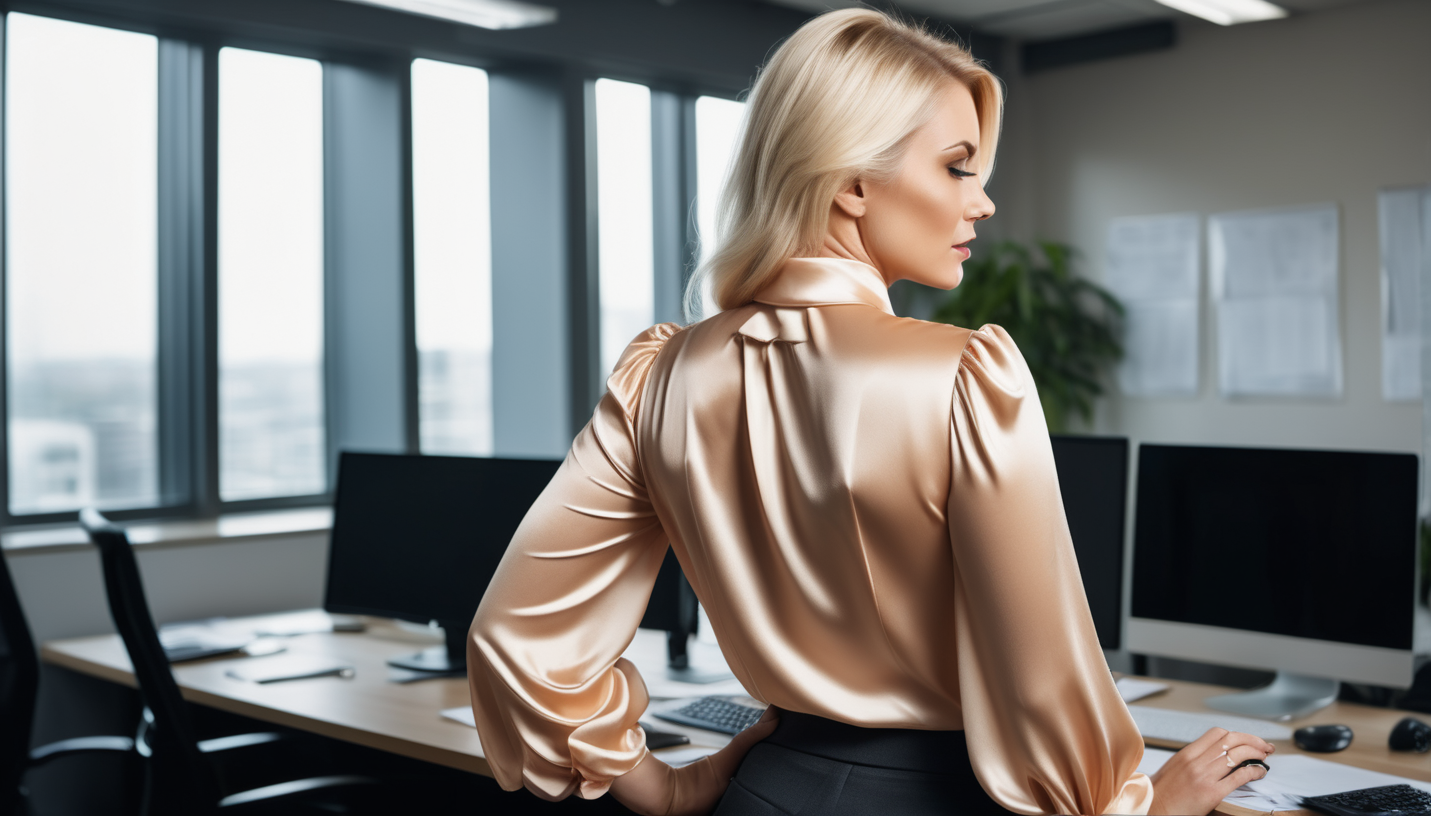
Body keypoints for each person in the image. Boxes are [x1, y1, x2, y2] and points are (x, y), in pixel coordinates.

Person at [466, 9, 1273, 815]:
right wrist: (1142, 805)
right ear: (851, 182)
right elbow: (1041, 677)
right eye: (959, 169)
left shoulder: (661, 375)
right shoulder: (965, 374)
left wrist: (670, 791)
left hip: (764, 790)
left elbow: (518, 641)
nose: (983, 203)